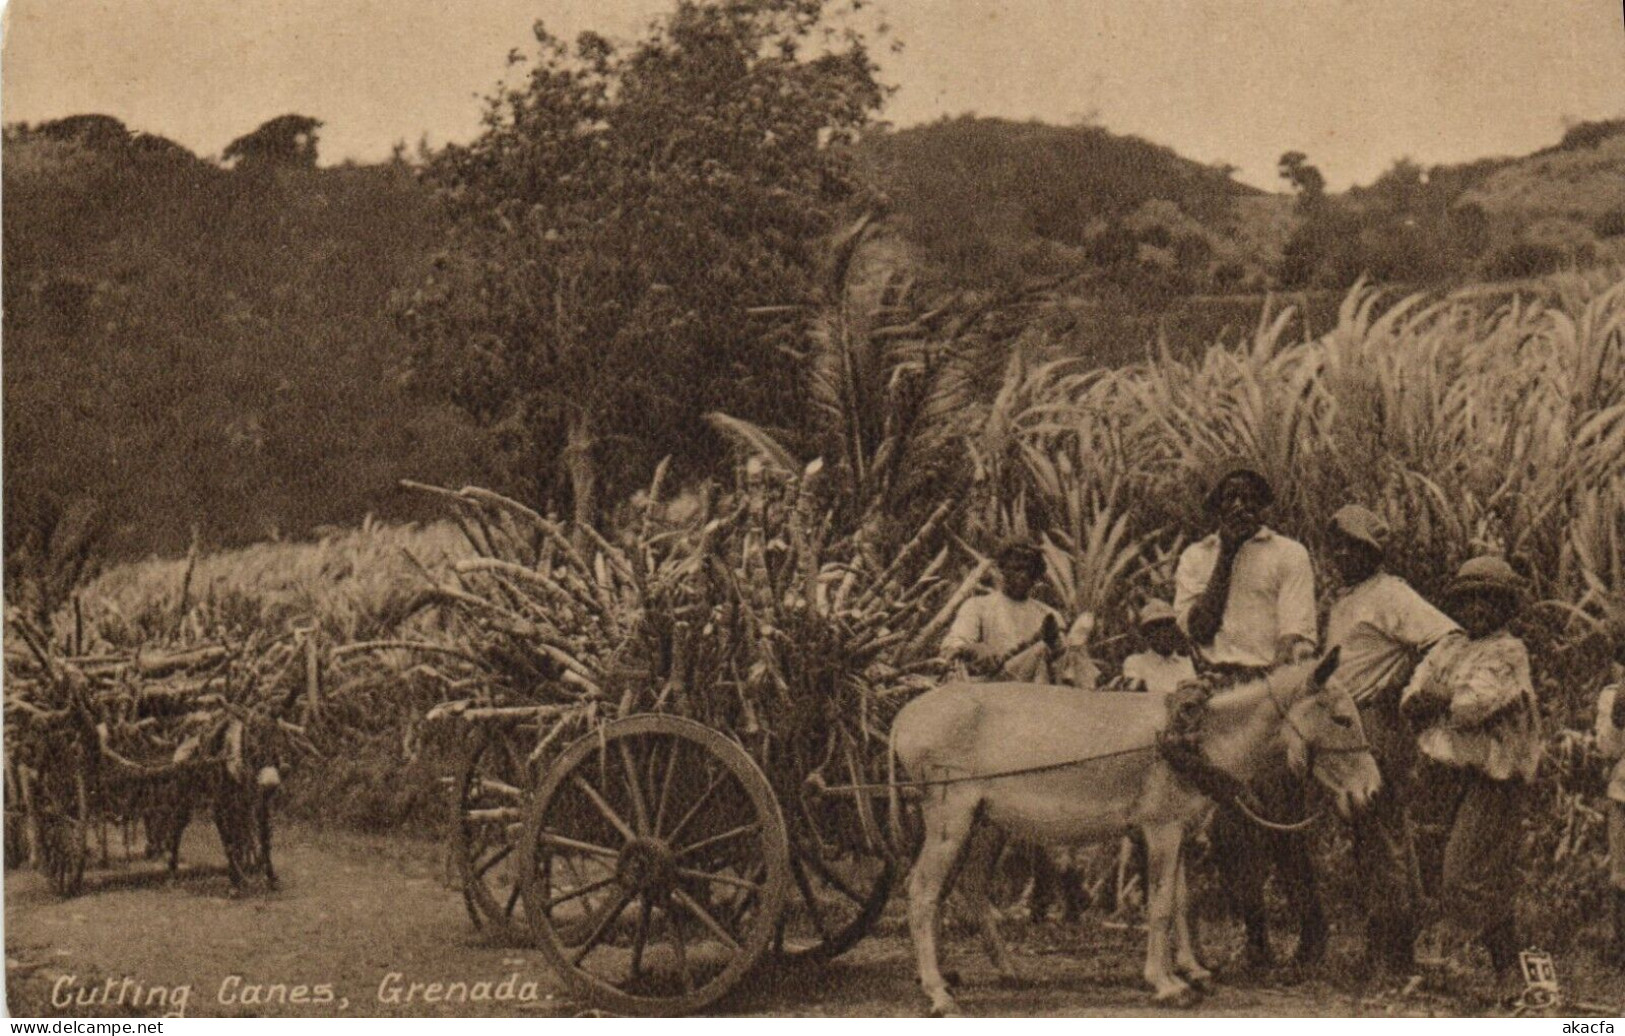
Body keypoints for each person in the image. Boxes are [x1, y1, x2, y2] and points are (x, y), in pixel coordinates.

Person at [1173, 461, 1324, 971]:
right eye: (1228, 498)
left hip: (1271, 687)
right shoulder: (1198, 557)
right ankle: (1255, 937)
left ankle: (1311, 931)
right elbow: (1198, 627)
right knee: (1230, 826)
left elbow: (1297, 632)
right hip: (1220, 690)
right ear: (1215, 506)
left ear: (1263, 506)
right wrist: (1229, 555)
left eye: (1249, 498)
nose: (1239, 506)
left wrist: (1275, 699)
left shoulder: (1289, 554)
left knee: (1282, 815)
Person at [1322, 504, 1464, 976]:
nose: (1343, 554)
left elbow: (1447, 637)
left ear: (1373, 551)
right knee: (1366, 835)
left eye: (1354, 546)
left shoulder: (1389, 593)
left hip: (1376, 725)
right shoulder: (1347, 598)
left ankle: (1397, 951)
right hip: (1346, 724)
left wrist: (1404, 684)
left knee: (1384, 834)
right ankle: (1381, 941)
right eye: (1337, 545)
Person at [1401, 555, 1542, 980]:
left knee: (1464, 873)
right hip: (1447, 772)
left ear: (1505, 606)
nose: (1478, 609)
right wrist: (1432, 698)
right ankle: (1509, 971)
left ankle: (1504, 965)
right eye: (1470, 600)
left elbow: (1471, 706)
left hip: (1493, 776)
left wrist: (1439, 698)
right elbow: (1411, 696)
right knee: (1451, 872)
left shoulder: (1508, 651)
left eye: (1490, 600)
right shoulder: (1450, 646)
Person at [942, 541, 1063, 683]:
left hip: (1040, 687)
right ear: (1003, 570)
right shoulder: (978, 606)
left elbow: (1063, 658)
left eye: (1029, 571)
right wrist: (975, 648)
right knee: (1039, 649)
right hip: (995, 686)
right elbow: (952, 645)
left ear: (1036, 575)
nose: (1023, 576)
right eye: (1017, 569)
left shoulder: (1048, 614)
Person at [1593, 636, 1625, 966]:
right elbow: (1608, 750)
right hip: (1623, 793)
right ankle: (1620, 946)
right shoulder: (1612, 697)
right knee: (1622, 872)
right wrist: (1618, 718)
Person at [1118, 600, 1197, 695]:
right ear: (1146, 635)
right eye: (1156, 627)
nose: (1164, 633)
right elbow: (1135, 697)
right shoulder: (1135, 663)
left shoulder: (1186, 663)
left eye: (1168, 626)